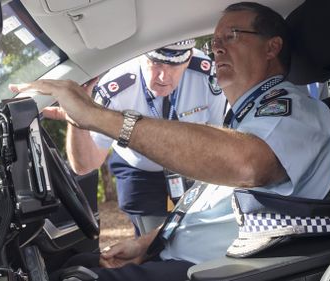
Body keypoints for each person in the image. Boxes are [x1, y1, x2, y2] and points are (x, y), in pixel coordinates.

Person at [10, 2, 330, 281]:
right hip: (178, 255)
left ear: (272, 47)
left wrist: (98, 116)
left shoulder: (294, 108)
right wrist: (148, 243)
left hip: (216, 269)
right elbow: (210, 206)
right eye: (216, 40)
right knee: (69, 265)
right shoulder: (247, 115)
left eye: (232, 36)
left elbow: (246, 164)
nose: (217, 46)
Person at [44, 40, 226, 236]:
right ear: (140, 55)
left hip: (195, 168)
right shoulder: (115, 88)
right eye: (156, 64)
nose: (164, 77)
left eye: (174, 66)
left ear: (188, 59)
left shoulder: (207, 75)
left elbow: (223, 139)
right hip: (140, 172)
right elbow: (85, 165)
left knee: (203, 233)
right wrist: (76, 118)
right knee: (153, 246)